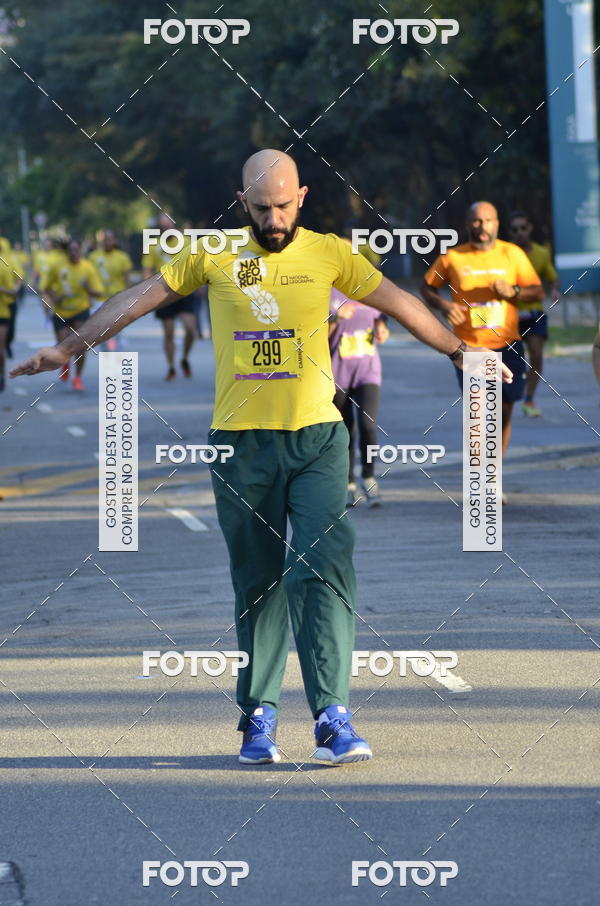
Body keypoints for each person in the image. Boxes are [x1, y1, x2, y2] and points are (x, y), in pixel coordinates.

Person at [11, 151, 512, 765]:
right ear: (241, 201)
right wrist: (69, 347)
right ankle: (259, 718)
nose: (273, 220)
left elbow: (401, 302)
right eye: (261, 208)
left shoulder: (330, 253)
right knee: (258, 583)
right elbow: (137, 298)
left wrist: (461, 352)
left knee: (322, 564)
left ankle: (332, 716)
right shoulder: (213, 253)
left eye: (282, 206)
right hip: (241, 445)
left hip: (318, 437)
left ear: (302, 197)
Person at [421, 201, 543, 492]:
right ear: (468, 224)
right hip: (470, 348)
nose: (482, 226)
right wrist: (443, 305)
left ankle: (494, 473)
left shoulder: (512, 254)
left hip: (508, 344)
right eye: (477, 221)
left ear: (497, 223)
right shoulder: (452, 257)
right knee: (478, 414)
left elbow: (537, 290)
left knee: (504, 410)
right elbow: (426, 288)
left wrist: (514, 290)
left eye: (488, 220)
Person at [329, 288, 389, 507]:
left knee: (368, 425)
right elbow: (314, 336)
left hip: (367, 370)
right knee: (346, 431)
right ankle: (348, 483)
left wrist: (382, 328)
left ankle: (368, 477)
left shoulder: (368, 288)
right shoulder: (327, 291)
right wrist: (334, 318)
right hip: (338, 372)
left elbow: (381, 318)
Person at [508, 211, 560, 417]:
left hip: (534, 312)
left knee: (537, 355)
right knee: (514, 360)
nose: (520, 232)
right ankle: (509, 394)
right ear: (510, 233)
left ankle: (529, 398)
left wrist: (555, 289)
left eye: (523, 228)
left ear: (530, 228)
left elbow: (552, 276)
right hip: (510, 315)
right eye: (515, 229)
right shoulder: (505, 253)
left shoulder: (541, 253)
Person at [41, 238, 103, 390]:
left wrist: (88, 289)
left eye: (76, 250)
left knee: (81, 345)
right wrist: (55, 297)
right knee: (63, 345)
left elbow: (99, 292)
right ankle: (65, 363)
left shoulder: (87, 267)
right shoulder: (58, 266)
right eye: (71, 250)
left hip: (80, 310)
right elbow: (46, 286)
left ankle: (78, 377)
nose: (74, 253)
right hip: (61, 311)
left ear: (80, 251)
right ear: (67, 252)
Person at [142, 213, 197, 380]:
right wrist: (148, 289)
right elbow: (147, 270)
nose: (166, 229)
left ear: (173, 225)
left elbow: (195, 263)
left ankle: (185, 359)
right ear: (159, 229)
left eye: (168, 226)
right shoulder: (153, 245)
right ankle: (171, 367)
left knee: (191, 330)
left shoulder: (185, 242)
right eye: (163, 227)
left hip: (184, 290)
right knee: (169, 332)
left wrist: (201, 283)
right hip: (163, 293)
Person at [89, 229, 133, 351]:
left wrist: (129, 299)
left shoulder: (122, 257)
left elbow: (127, 280)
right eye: (105, 239)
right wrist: (89, 298)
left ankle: (120, 361)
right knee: (102, 334)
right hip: (99, 300)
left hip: (118, 299)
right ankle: (107, 359)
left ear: (115, 241)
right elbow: (89, 277)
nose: (107, 242)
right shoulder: (93, 257)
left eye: (110, 239)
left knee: (118, 334)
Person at [0, 253, 22, 390]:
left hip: (3, 311)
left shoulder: (5, 264)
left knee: (0, 348)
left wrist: (2, 289)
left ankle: (2, 375)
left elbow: (13, 290)